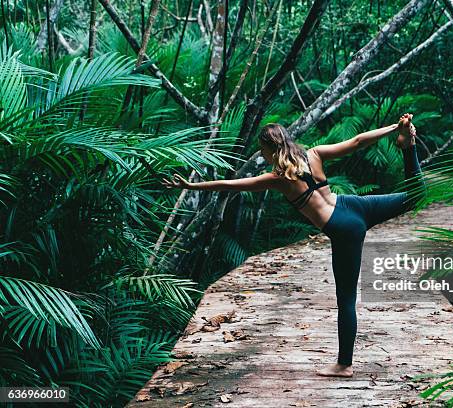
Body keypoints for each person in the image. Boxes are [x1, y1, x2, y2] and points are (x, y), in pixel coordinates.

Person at [162, 113, 426, 378]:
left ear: (270, 148)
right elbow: (357, 141)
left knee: (346, 299)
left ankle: (344, 365)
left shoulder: (278, 179)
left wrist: (191, 185)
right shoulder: (315, 154)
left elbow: (231, 185)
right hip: (353, 206)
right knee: (416, 195)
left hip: (344, 229)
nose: (261, 154)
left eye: (262, 149)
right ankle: (408, 147)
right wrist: (393, 128)